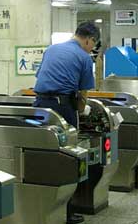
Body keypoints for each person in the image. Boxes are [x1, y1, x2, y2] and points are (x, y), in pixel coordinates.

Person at [33, 21, 100, 224]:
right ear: (88, 39)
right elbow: (83, 94)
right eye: (93, 44)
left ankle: (38, 205)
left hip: (40, 107)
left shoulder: (51, 49)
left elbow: (41, 78)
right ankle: (66, 212)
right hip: (63, 108)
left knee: (43, 153)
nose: (92, 48)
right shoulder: (84, 57)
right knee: (68, 156)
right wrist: (81, 110)